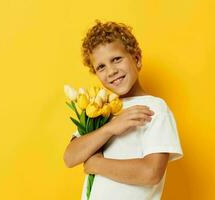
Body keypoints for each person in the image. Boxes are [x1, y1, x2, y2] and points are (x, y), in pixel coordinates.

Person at [63, 20, 184, 200]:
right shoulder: (99, 110)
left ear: (136, 58)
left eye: (116, 59)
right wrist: (110, 128)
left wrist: (96, 164)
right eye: (101, 67)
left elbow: (151, 173)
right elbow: (70, 157)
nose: (111, 71)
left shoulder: (154, 108)